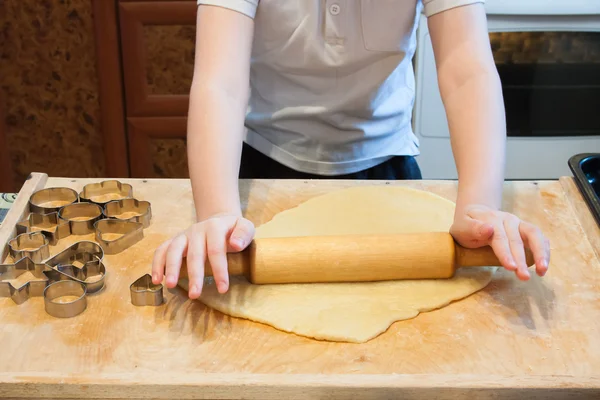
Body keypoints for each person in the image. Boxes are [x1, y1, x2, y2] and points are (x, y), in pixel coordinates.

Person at [151, 0, 551, 299]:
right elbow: (220, 82)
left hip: (386, 164)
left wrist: (479, 209)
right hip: (264, 159)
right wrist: (218, 212)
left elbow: (467, 71)